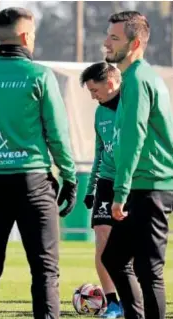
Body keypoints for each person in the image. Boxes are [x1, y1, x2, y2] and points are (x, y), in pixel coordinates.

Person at [0, 7, 78, 318]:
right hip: (33, 183)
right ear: (26, 36)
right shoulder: (38, 75)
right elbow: (57, 132)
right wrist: (69, 176)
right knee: (45, 271)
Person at [101, 11, 173, 319]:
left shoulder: (139, 80)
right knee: (115, 258)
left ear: (136, 44)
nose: (106, 43)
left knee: (149, 271)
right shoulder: (131, 78)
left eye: (114, 38)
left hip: (150, 186)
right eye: (108, 36)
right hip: (140, 185)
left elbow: (133, 138)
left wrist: (120, 191)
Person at [80, 61, 124, 318]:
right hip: (106, 183)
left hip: (134, 183)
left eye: (95, 90)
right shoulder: (99, 114)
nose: (93, 96)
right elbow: (99, 151)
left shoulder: (133, 105)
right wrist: (90, 188)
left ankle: (134, 299)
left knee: (136, 248)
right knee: (102, 242)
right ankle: (113, 302)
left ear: (110, 83)